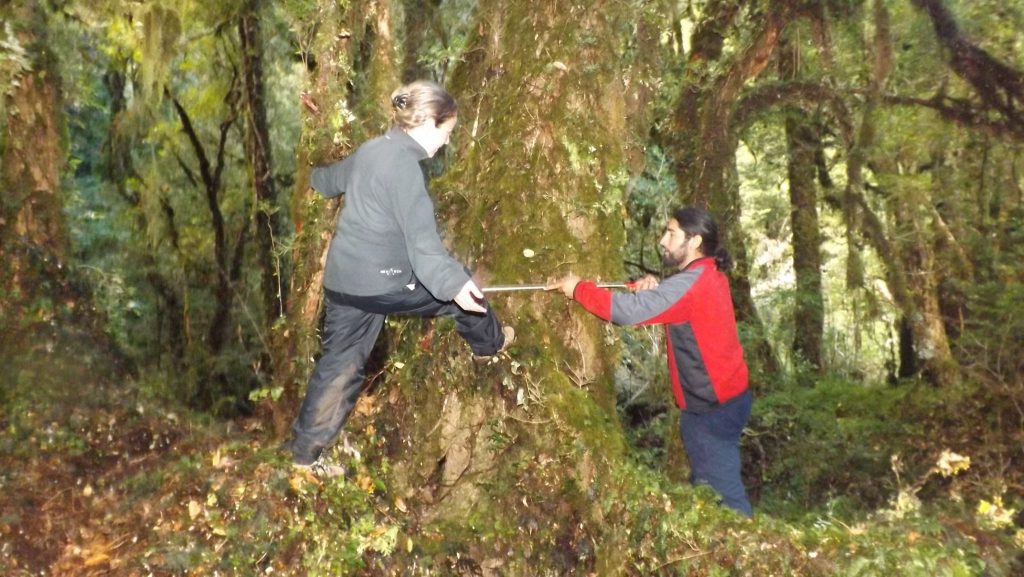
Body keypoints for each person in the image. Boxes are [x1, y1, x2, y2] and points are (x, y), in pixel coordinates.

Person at [287, 80, 513, 474]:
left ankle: (304, 456)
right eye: (446, 133)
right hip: (385, 283)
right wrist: (457, 287)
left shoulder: (372, 149)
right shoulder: (406, 170)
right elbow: (426, 254)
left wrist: (311, 175)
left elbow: (326, 181)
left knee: (339, 363)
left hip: (344, 284)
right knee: (463, 289)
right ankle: (490, 345)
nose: (445, 143)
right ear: (426, 123)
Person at [546, 207, 753, 517]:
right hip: (722, 400)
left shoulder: (692, 284)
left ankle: (745, 554)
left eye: (671, 233)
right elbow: (671, 302)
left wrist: (579, 289)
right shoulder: (707, 273)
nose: (662, 240)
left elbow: (629, 312)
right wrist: (649, 286)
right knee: (708, 483)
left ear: (694, 240)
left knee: (724, 497)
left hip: (713, 409)